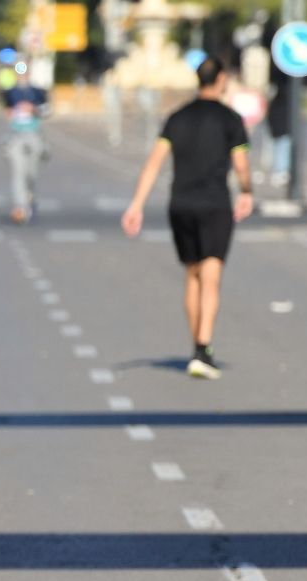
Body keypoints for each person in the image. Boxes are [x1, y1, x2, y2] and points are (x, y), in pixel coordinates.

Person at [121, 57, 253, 380]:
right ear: (221, 79)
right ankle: (202, 348)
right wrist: (247, 191)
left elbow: (154, 163)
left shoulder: (176, 118)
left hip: (180, 204)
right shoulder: (230, 119)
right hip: (214, 205)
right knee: (211, 274)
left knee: (192, 273)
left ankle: (197, 345)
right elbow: (241, 164)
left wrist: (136, 204)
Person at [3, 69, 48, 223]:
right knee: (18, 171)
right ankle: (20, 207)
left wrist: (33, 109)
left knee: (30, 173)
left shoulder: (38, 91)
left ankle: (30, 196)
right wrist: (13, 113)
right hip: (16, 135)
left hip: (34, 134)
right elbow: (7, 110)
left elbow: (47, 110)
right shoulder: (10, 92)